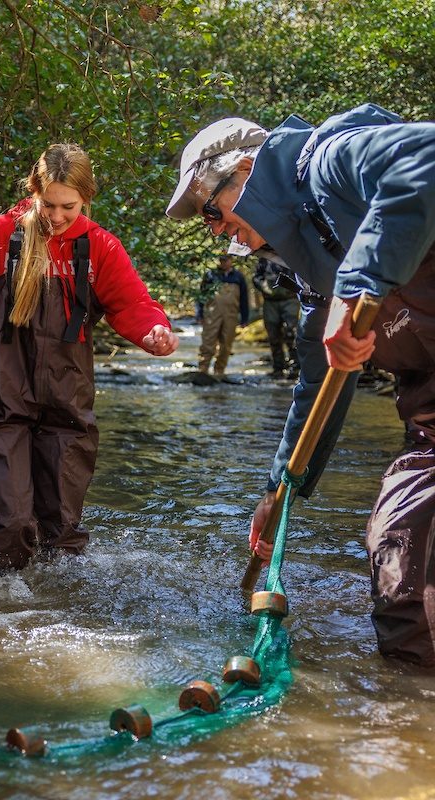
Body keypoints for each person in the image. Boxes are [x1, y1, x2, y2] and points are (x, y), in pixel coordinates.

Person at [165, 105, 435, 667]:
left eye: (211, 212)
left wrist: (359, 284)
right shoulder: (307, 271)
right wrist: (277, 494)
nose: (218, 233)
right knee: (402, 579)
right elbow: (319, 387)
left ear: (243, 169)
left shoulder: (331, 160)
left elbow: (424, 159)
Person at [0, 143, 178, 572]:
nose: (57, 217)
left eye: (69, 207)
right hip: (1, 396)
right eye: (49, 205)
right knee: (8, 522)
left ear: (86, 199)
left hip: (67, 401)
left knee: (61, 532)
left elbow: (132, 305)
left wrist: (155, 332)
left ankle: (59, 604)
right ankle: (4, 603)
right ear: (34, 191)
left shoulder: (101, 247)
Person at [196, 254, 249, 378]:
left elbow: (244, 299)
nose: (223, 262)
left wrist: (245, 318)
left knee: (226, 344)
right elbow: (200, 296)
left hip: (231, 315)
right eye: (221, 260)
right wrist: (199, 314)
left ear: (231, 260)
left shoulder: (239, 277)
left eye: (226, 260)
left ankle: (219, 371)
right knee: (208, 342)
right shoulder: (210, 275)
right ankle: (202, 370)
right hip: (212, 314)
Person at [252, 256, 301, 378]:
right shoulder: (264, 258)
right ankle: (278, 368)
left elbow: (301, 274)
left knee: (291, 333)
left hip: (290, 299)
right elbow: (256, 277)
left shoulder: (289, 253)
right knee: (273, 335)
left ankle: (295, 368)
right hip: (270, 302)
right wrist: (264, 286)